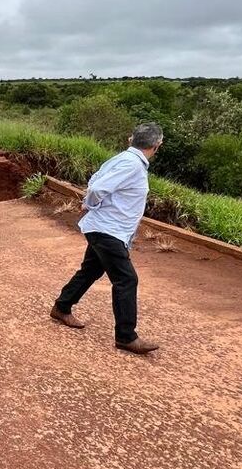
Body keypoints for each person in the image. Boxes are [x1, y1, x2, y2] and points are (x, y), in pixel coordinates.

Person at [50, 123, 164, 355]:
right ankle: (126, 337)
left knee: (91, 270)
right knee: (126, 279)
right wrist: (89, 205)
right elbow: (97, 188)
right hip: (107, 230)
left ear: (131, 139)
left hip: (107, 228)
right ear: (157, 145)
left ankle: (62, 307)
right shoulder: (131, 164)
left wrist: (93, 206)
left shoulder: (124, 160)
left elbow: (95, 179)